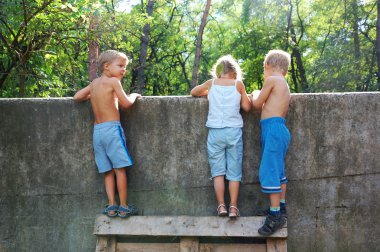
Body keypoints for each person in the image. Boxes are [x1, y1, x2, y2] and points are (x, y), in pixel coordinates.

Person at [73, 50, 141, 218]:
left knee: (107, 171)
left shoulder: (95, 84)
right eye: (120, 66)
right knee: (119, 169)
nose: (123, 70)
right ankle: (123, 206)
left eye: (125, 67)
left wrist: (93, 95)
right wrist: (134, 95)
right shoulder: (113, 82)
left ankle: (112, 206)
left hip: (98, 132)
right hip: (112, 130)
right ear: (106, 66)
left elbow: (77, 97)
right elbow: (126, 103)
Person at [190, 55, 251, 218]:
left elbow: (193, 92)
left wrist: (208, 93)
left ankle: (221, 206)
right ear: (234, 72)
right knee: (234, 172)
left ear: (217, 72)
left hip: (215, 132)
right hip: (233, 132)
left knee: (218, 172)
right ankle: (233, 207)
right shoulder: (238, 85)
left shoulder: (212, 84)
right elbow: (246, 106)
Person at [251, 49, 291, 235]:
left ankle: (275, 216)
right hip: (279, 129)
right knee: (279, 172)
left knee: (270, 171)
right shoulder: (284, 84)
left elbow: (257, 104)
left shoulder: (272, 80)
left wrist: (254, 93)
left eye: (263, 69)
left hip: (273, 130)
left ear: (267, 66)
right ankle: (281, 209)